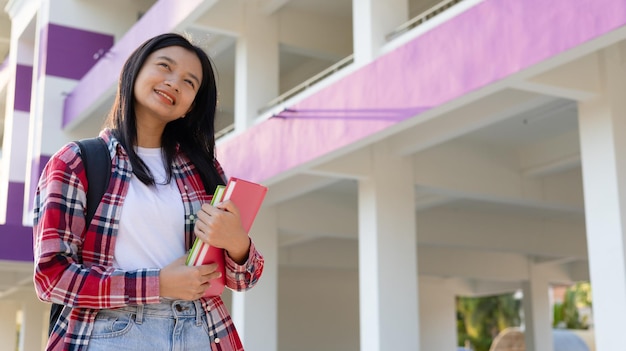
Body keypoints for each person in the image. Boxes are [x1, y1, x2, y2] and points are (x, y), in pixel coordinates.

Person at [33, 33, 264, 350]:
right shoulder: (77, 162)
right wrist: (159, 284)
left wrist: (237, 243)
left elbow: (243, 279)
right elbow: (52, 277)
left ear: (190, 106)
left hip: (201, 330)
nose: (173, 83)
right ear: (135, 70)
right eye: (164, 67)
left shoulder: (205, 171)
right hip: (111, 331)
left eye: (189, 82)